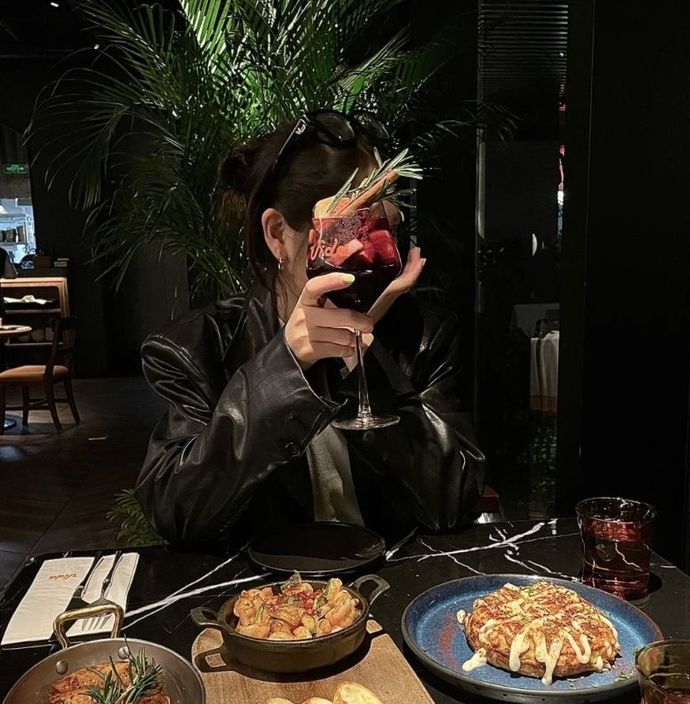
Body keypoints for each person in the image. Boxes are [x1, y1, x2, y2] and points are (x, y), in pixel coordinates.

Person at [135, 110, 485, 546]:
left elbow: (450, 502)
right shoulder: (194, 348)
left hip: (396, 587)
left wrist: (363, 353)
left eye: (387, 229)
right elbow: (176, 513)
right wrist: (285, 370)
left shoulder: (424, 335)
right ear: (278, 233)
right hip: (269, 600)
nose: (377, 252)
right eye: (351, 229)